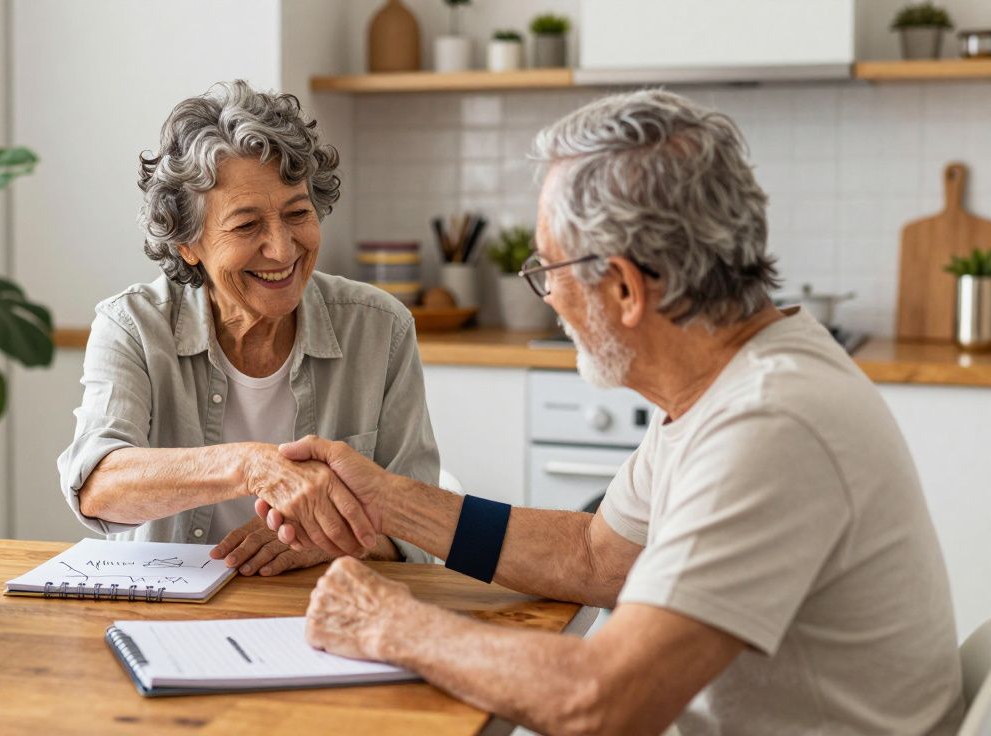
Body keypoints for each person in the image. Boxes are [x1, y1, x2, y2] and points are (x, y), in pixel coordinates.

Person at [257, 90, 964, 734]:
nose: (549, 299)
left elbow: (603, 701)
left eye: (549, 271)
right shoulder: (730, 379)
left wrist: (390, 625)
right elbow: (597, 556)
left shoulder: (770, 425)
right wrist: (387, 503)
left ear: (624, 288)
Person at [56, 80, 437, 577]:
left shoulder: (379, 329)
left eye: (298, 214)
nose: (281, 250)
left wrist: (332, 540)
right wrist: (251, 467)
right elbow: (98, 485)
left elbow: (423, 524)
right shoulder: (132, 327)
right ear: (187, 244)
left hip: (324, 617)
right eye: (246, 226)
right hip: (168, 620)